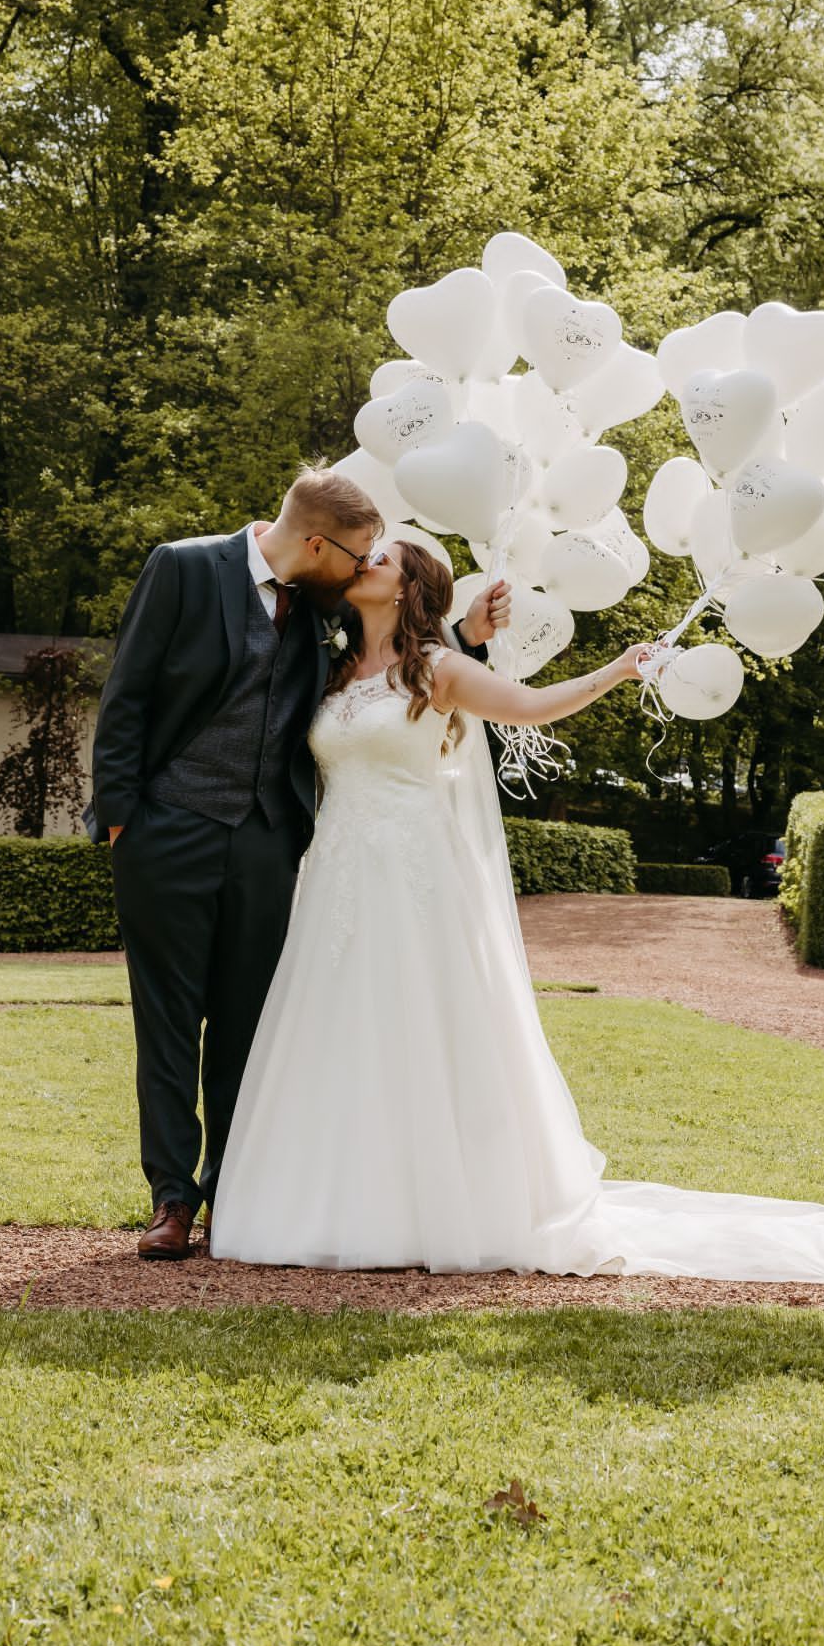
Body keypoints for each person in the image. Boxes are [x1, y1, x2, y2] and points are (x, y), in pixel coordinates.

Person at [210, 541, 824, 1285]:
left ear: (407, 589)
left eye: (384, 557)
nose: (365, 560)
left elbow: (531, 708)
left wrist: (617, 669)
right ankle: (334, 1200)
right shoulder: (330, 668)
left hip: (412, 872)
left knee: (419, 1023)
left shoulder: (438, 668)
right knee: (337, 1022)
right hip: (335, 874)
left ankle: (437, 1204)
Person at [86, 469, 507, 1260]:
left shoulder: (322, 601)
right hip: (165, 831)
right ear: (317, 544)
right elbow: (127, 696)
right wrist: (122, 825)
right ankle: (172, 1199)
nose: (360, 568)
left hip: (268, 841)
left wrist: (468, 635)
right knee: (168, 1021)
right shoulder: (182, 567)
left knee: (249, 1024)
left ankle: (234, 1191)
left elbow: (396, 657)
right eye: (355, 554)